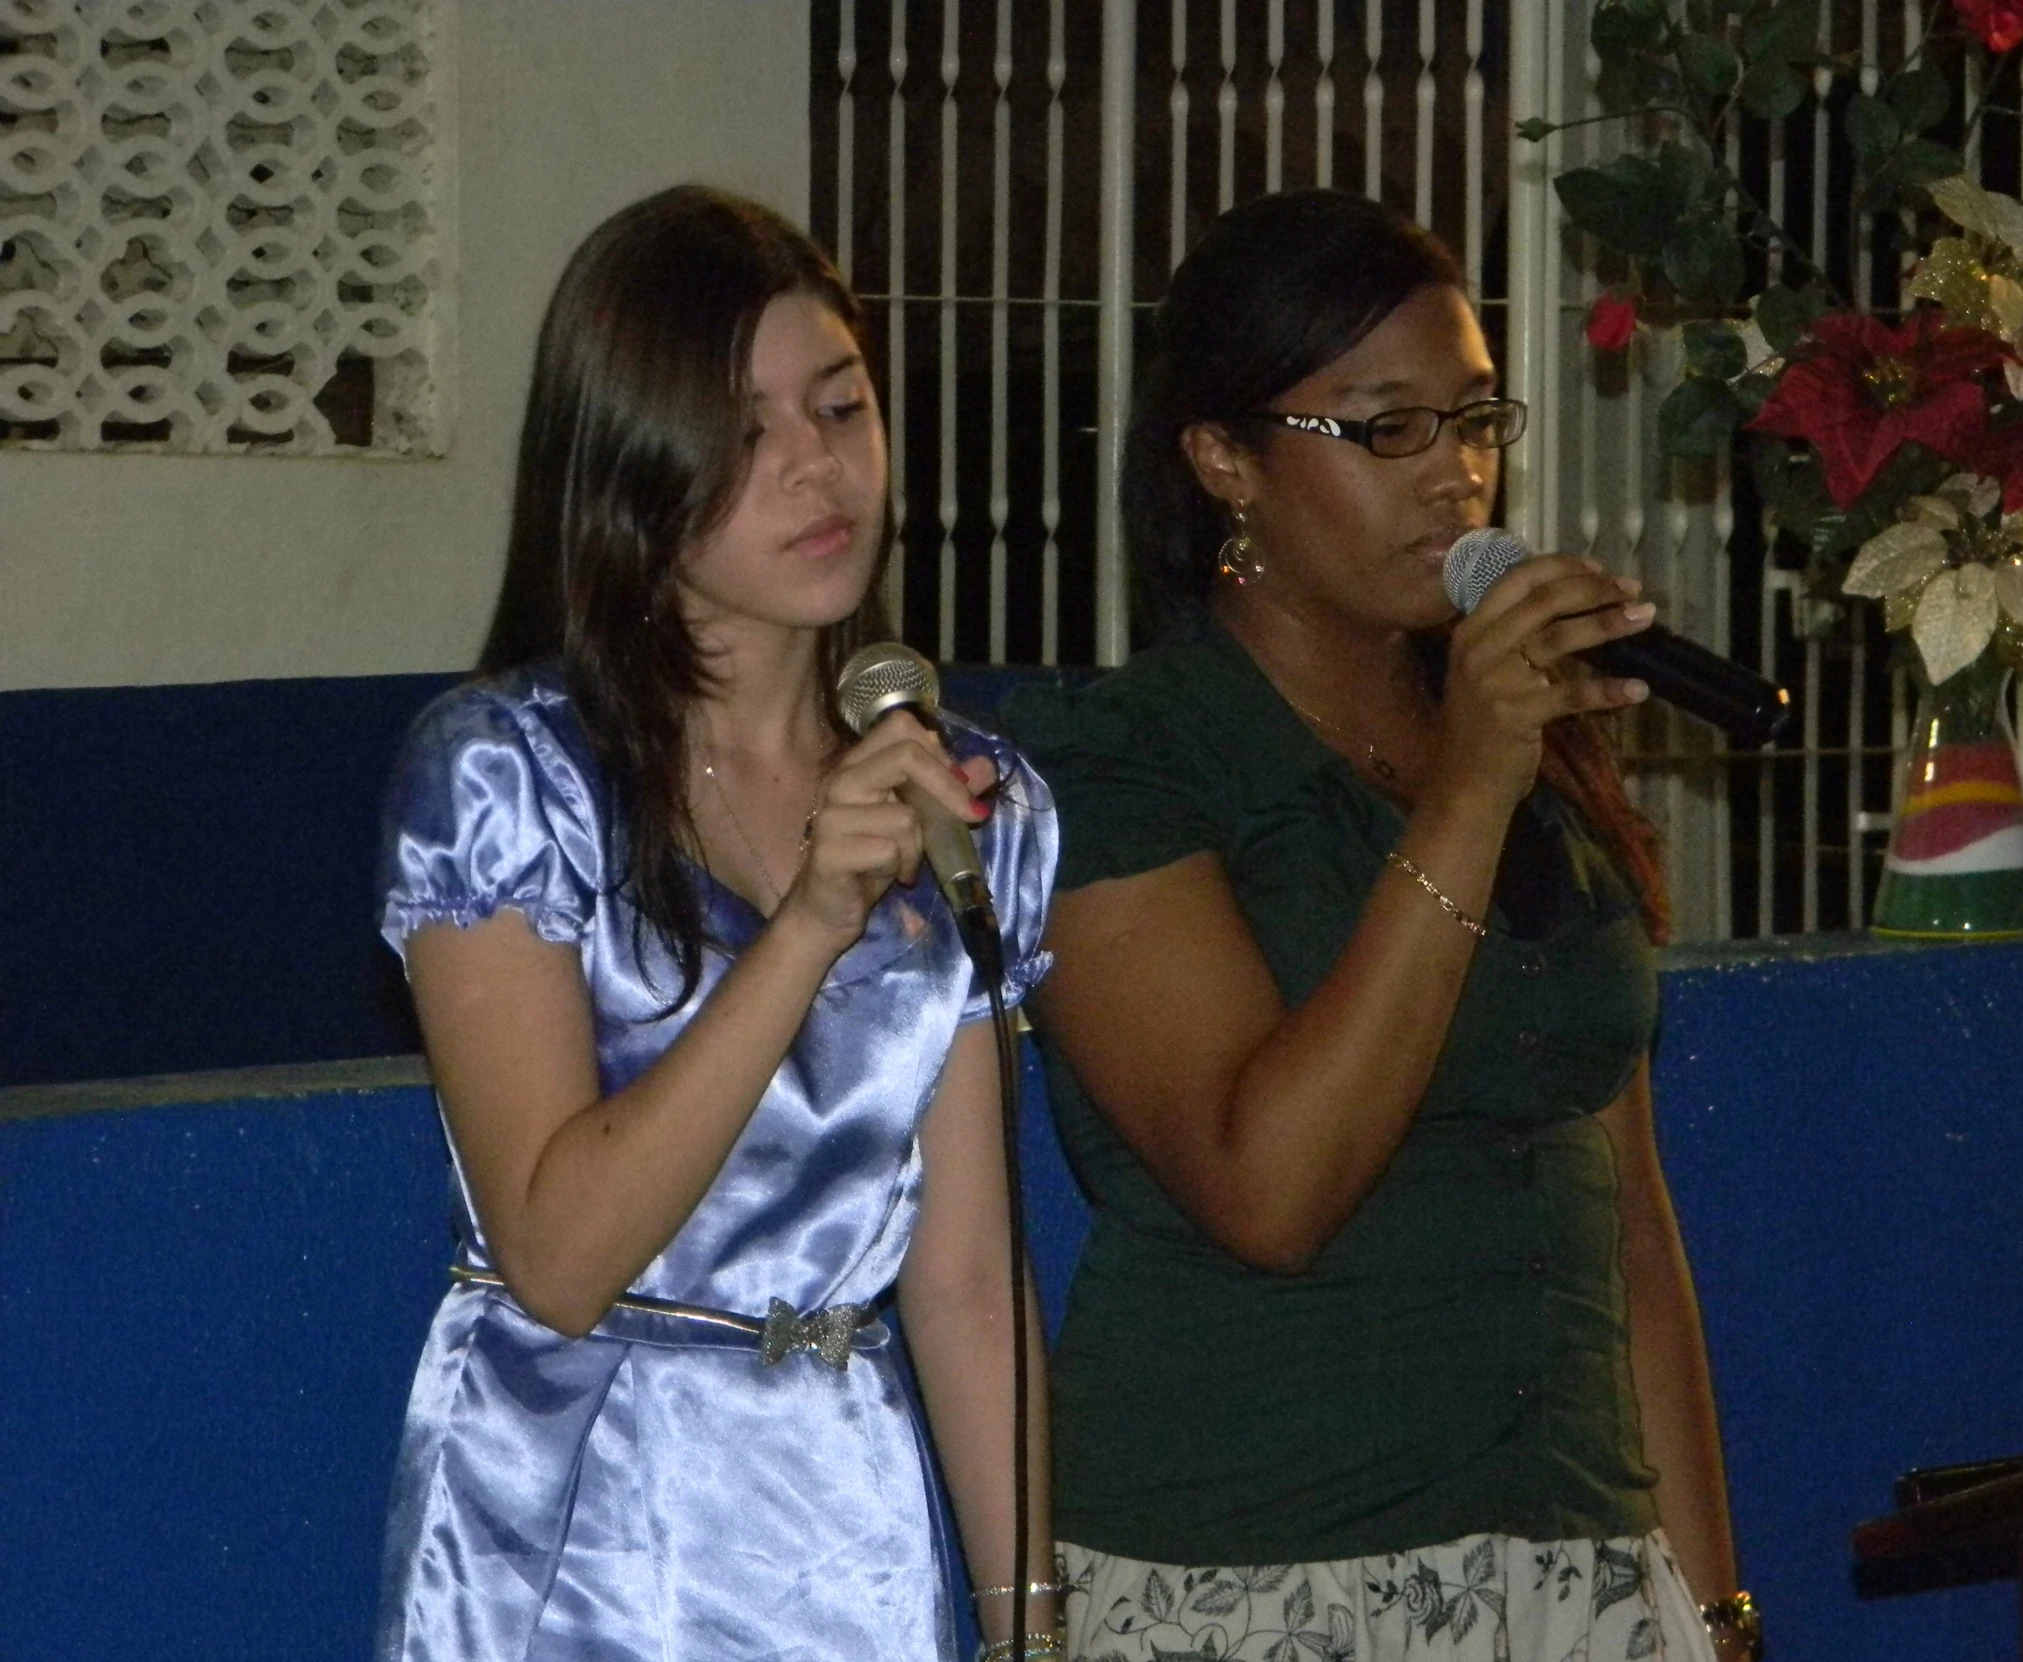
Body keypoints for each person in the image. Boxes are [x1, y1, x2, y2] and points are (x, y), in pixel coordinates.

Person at [1003, 190, 1754, 1662]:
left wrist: (1715, 1610)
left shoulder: (1521, 735)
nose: (1457, 477)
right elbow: (1267, 1186)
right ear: (1224, 460)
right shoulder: (1117, 761)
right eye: (1387, 429)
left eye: (1478, 420)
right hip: (1261, 1569)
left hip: (1579, 1570)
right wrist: (1469, 791)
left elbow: (1631, 1224)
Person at [373, 186, 1060, 1662]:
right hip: (571, 1528)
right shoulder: (503, 775)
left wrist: (1029, 1624)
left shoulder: (961, 798)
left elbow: (964, 1277)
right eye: (749, 433)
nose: (820, 470)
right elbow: (557, 1253)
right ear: (630, 464)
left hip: (841, 1528)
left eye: (843, 407)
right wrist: (807, 923)